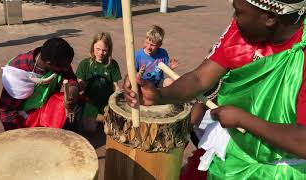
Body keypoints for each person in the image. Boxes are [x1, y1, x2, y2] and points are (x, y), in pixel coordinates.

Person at [124, 0, 306, 179]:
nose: (234, 18)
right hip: (231, 154)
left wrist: (243, 120)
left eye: (239, 12)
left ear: (270, 17)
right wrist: (159, 95)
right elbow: (199, 78)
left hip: (282, 172)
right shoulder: (240, 33)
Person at [0, 37, 78, 131]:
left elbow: (71, 79)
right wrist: (18, 137)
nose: (67, 68)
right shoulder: (17, 71)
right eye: (64, 66)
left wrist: (72, 93)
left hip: (44, 109)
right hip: (24, 117)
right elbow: (7, 112)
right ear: (49, 63)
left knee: (61, 101)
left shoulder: (58, 59)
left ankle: (55, 130)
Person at [75, 32, 122, 134]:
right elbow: (80, 86)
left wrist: (120, 96)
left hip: (107, 102)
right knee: (90, 130)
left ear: (109, 50)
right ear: (93, 47)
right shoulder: (85, 64)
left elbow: (116, 86)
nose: (100, 53)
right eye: (98, 49)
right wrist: (76, 88)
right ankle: (102, 119)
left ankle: (105, 118)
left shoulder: (113, 65)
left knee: (115, 130)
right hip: (90, 102)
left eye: (104, 50)